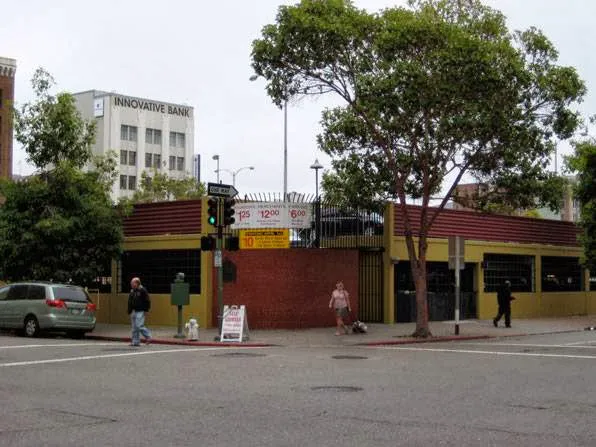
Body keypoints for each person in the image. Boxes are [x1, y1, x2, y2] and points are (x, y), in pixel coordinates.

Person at [127, 277, 152, 346]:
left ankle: (148, 336)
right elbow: (130, 301)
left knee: (139, 325)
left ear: (137, 283)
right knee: (134, 327)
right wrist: (129, 310)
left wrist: (146, 310)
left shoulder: (142, 290)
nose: (131, 284)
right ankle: (135, 341)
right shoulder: (132, 291)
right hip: (134, 311)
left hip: (140, 311)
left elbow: (147, 300)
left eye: (132, 283)